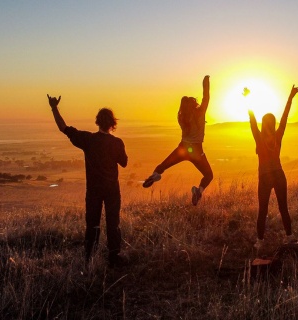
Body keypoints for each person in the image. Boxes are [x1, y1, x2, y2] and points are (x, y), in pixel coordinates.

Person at [47, 95, 128, 267]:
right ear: (113, 123)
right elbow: (124, 163)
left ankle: (89, 258)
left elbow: (63, 128)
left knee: (92, 224)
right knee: (113, 224)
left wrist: (54, 108)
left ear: (97, 122)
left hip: (93, 190)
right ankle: (114, 257)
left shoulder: (88, 139)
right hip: (112, 190)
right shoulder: (117, 143)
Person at [142, 75, 213, 206]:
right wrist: (206, 82)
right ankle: (198, 191)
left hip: (183, 148)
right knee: (208, 175)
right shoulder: (200, 113)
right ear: (193, 105)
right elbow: (206, 98)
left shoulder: (181, 118)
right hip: (196, 150)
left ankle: (155, 175)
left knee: (163, 166)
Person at [249, 85, 298, 249]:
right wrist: (290, 98)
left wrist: (248, 99)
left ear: (264, 124)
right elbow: (285, 117)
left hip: (264, 176)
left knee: (262, 209)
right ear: (273, 123)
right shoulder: (278, 136)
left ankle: (260, 241)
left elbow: (252, 121)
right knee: (283, 207)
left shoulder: (259, 137)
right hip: (278, 174)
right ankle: (290, 237)